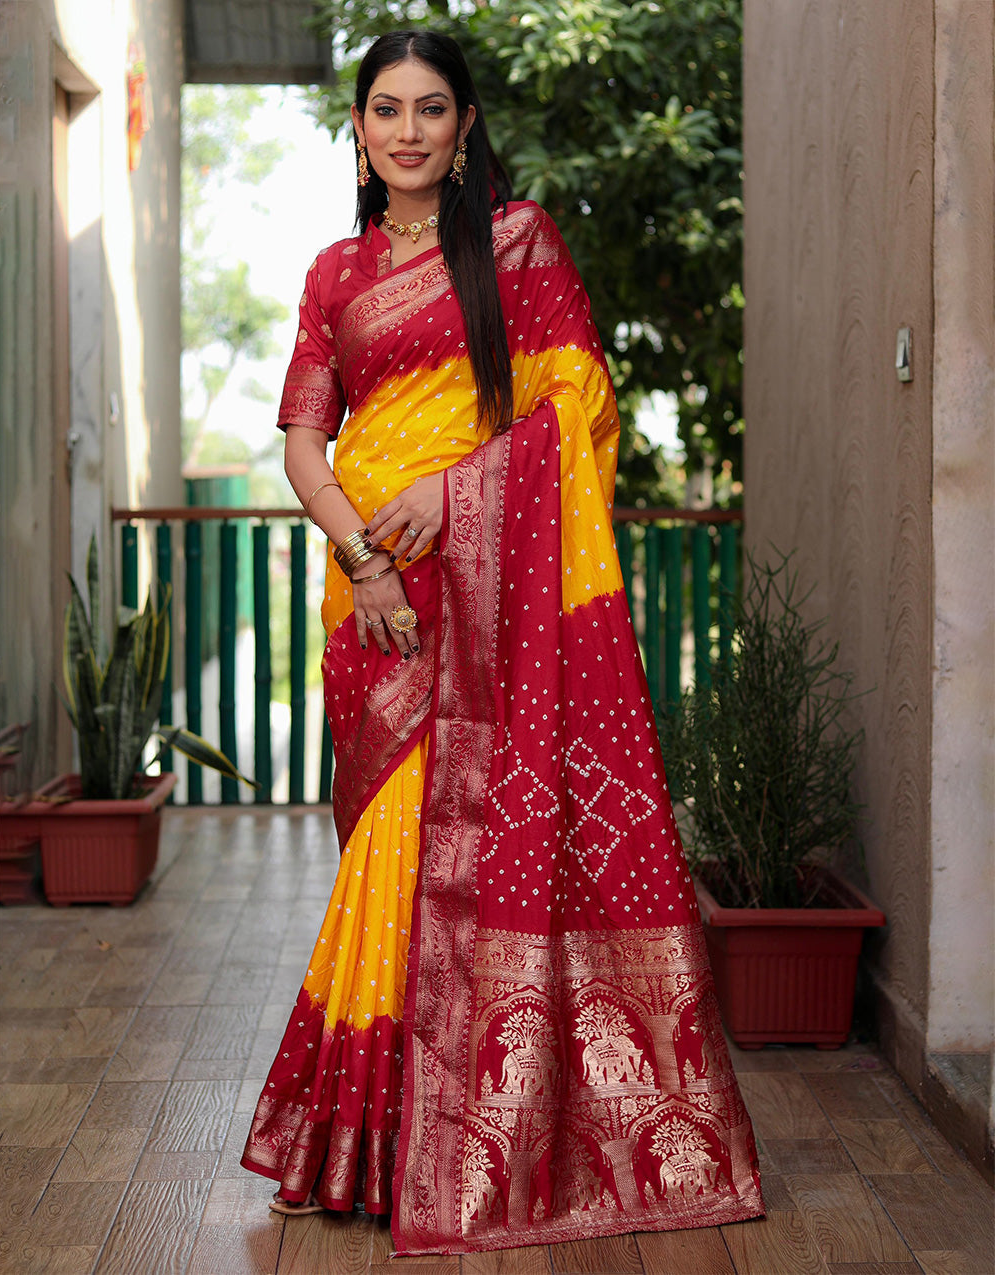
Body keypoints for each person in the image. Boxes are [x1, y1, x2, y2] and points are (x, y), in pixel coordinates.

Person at [241, 29, 764, 1257]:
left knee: (453, 858)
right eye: (386, 109)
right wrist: (366, 558)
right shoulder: (333, 271)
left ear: (465, 126)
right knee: (382, 849)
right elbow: (304, 442)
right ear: (358, 131)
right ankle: (372, 1141)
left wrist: (455, 492)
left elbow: (572, 401)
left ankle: (448, 1139)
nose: (409, 130)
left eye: (432, 109)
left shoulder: (516, 243)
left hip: (483, 588)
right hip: (371, 594)